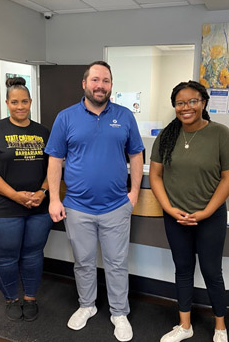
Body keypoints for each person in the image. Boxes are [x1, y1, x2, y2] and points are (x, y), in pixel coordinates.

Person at [45, 61, 144, 342]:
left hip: (116, 207)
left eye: (106, 81)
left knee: (116, 263)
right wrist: (55, 198)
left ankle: (119, 313)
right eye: (96, 80)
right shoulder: (65, 118)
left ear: (111, 85)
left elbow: (136, 155)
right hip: (77, 206)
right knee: (83, 262)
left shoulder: (124, 116)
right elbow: (55, 159)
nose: (101, 85)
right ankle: (86, 306)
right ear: (85, 83)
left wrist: (134, 193)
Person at [149, 81, 229, 342]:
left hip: (210, 217)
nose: (186, 107)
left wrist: (206, 212)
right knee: (183, 269)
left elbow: (228, 178)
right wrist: (169, 208)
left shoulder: (221, 133)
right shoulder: (166, 136)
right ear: (174, 106)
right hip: (175, 216)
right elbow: (155, 175)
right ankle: (184, 325)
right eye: (180, 103)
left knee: (212, 271)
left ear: (203, 102)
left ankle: (220, 326)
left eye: (192, 101)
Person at [0, 77, 53, 322]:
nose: (20, 106)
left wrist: (42, 192)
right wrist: (15, 196)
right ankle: (11, 299)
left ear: (31, 102)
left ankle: (29, 297)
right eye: (15, 102)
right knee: (6, 258)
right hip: (1, 209)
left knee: (32, 254)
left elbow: (54, 167)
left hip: (38, 208)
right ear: (7, 103)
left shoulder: (42, 132)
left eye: (25, 101)